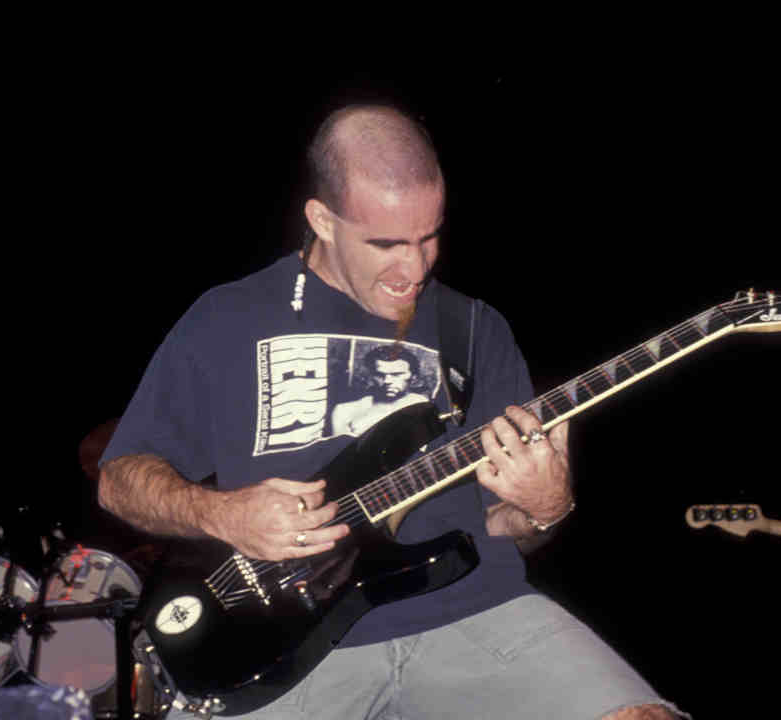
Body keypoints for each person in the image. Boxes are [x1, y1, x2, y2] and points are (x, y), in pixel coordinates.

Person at [98, 104, 684, 719]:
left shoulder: (475, 328)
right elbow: (119, 480)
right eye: (386, 244)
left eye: (429, 236)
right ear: (322, 220)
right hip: (281, 649)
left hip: (471, 614)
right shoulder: (227, 317)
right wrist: (220, 513)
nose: (416, 267)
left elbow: (505, 527)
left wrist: (546, 508)